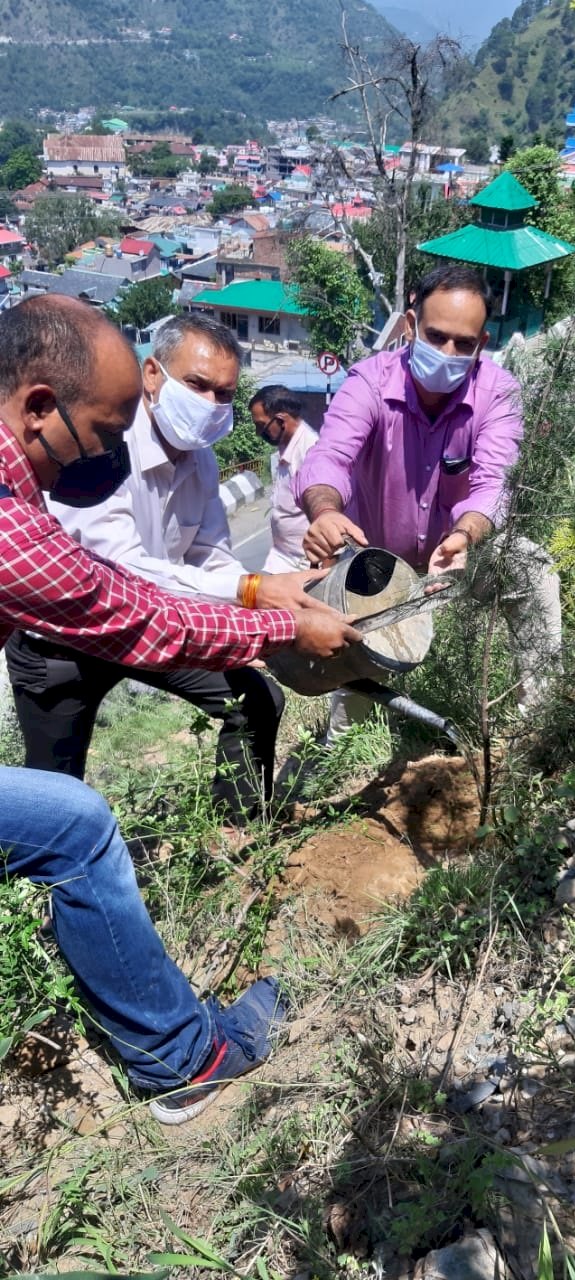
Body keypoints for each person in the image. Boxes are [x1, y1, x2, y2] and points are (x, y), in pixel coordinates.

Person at [0, 295, 360, 1123]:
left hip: (115, 617)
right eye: (103, 428)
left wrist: (258, 598)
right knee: (70, 820)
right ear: (40, 406)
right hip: (70, 642)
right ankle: (182, 1060)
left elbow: (173, 569)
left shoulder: (130, 467)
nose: (107, 450)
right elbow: (120, 604)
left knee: (243, 698)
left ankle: (231, 838)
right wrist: (277, 619)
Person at [6, 315, 327, 824]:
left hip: (153, 624)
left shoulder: (199, 457)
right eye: (198, 385)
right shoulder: (103, 445)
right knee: (56, 792)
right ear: (152, 375)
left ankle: (241, 829)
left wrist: (246, 614)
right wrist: (258, 604)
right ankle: (39, 891)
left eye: (225, 394)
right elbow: (120, 582)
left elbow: (209, 554)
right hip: (66, 642)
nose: (212, 405)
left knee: (255, 697)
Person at [294, 262, 562, 737]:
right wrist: (325, 510)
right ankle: (336, 755)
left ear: (482, 344)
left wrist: (465, 534)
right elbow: (330, 456)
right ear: (412, 325)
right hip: (377, 564)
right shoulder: (370, 383)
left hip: (454, 559)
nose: (448, 352)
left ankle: (539, 725)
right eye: (436, 337)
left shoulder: (498, 394)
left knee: (531, 570)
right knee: (356, 678)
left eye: (464, 344)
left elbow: (495, 481)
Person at [249, 385, 318, 572]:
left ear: (281, 420)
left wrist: (318, 573)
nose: (258, 433)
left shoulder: (310, 452)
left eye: (261, 426)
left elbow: (324, 516)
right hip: (283, 558)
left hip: (303, 565)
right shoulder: (286, 447)